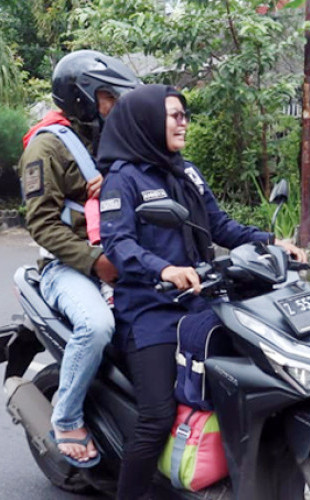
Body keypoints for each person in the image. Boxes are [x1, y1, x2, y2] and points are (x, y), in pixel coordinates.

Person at [97, 84, 306, 499]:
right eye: (174, 115)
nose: (183, 122)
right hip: (150, 313)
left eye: (184, 115)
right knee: (156, 418)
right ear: (146, 122)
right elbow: (118, 245)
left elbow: (221, 225)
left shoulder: (185, 171)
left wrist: (270, 241)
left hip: (201, 302)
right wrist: (166, 268)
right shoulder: (123, 181)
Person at [17, 50, 140, 467]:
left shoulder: (105, 139)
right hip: (65, 267)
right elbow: (42, 224)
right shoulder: (46, 148)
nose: (115, 106)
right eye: (108, 98)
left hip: (118, 257)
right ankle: (67, 415)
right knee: (97, 325)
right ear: (83, 97)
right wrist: (95, 262)